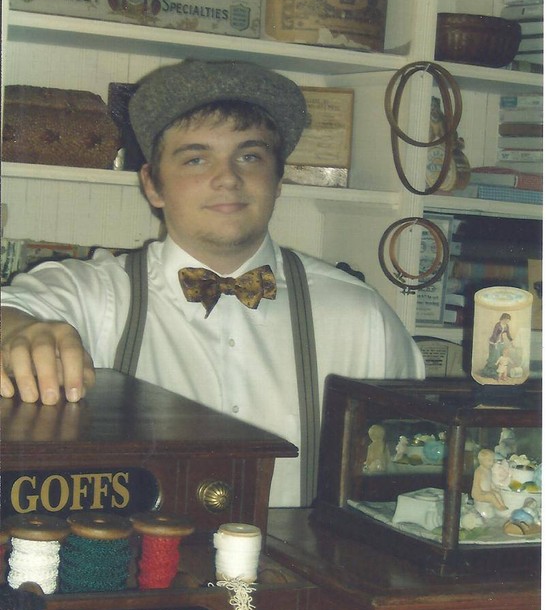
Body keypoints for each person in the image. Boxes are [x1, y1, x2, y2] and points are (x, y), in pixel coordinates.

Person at [1, 59, 424, 507]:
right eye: (196, 158)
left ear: (278, 180)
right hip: (133, 573)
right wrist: (16, 330)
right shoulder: (98, 295)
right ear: (153, 185)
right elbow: (14, 307)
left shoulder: (362, 318)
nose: (227, 178)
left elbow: (410, 479)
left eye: (249, 156)